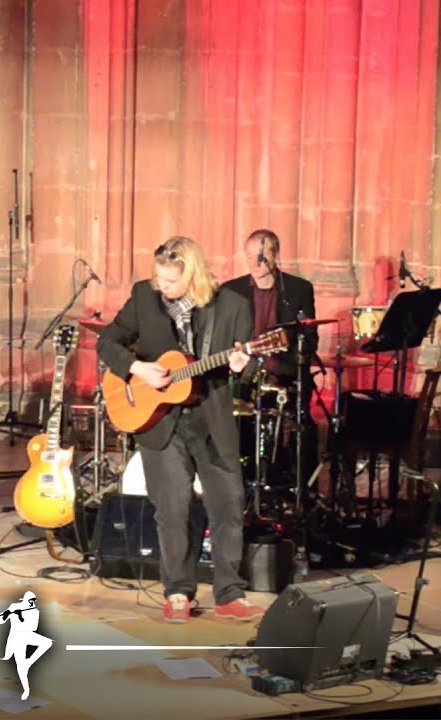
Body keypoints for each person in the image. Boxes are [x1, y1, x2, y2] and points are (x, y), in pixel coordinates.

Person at [96, 236, 264, 623]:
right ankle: (177, 592)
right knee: (171, 508)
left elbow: (250, 364)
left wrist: (244, 366)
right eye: (158, 278)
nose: (162, 287)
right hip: (159, 421)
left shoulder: (232, 305)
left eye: (170, 281)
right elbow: (108, 341)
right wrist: (137, 369)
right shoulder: (144, 297)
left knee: (227, 503)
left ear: (192, 274)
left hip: (211, 418)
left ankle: (229, 593)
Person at [221, 228, 319, 483]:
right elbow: (219, 338)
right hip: (243, 377)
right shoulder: (231, 291)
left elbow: (309, 341)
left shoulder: (298, 290)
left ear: (276, 256)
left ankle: (294, 486)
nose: (254, 263)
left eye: (261, 257)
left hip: (284, 377)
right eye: (249, 256)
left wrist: (289, 349)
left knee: (304, 427)